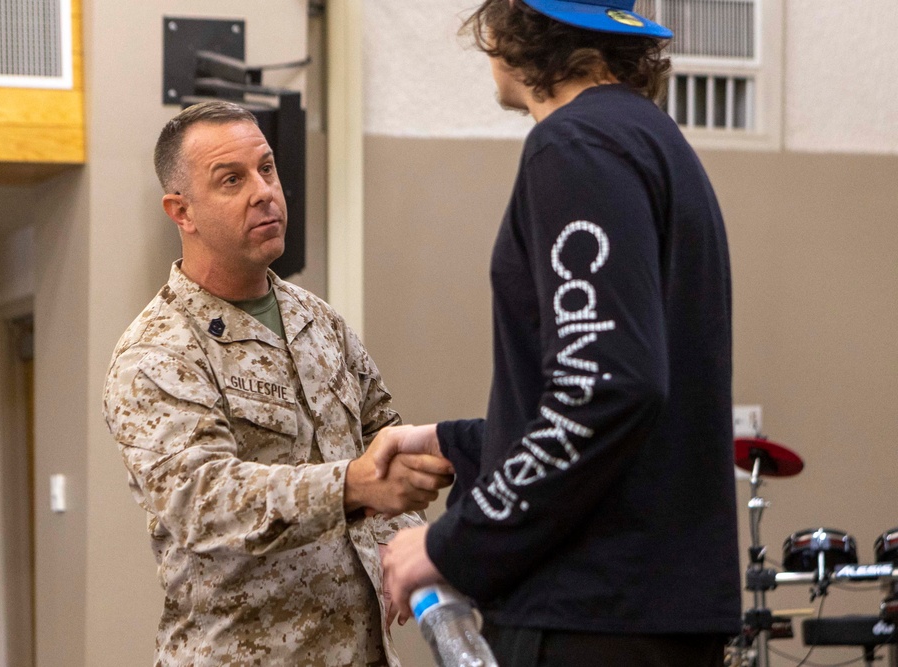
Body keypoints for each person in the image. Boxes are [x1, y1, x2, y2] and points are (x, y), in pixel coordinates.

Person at [378, 1, 741, 665]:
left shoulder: (574, 146)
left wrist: (449, 543)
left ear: (512, 24)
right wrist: (448, 442)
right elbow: (621, 400)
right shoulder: (650, 139)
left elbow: (604, 387)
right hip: (648, 617)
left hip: (591, 618)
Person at [103, 100, 454, 667]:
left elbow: (381, 433)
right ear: (182, 211)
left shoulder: (319, 321)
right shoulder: (157, 351)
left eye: (267, 169)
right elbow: (201, 500)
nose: (263, 191)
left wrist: (406, 534)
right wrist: (351, 486)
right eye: (231, 180)